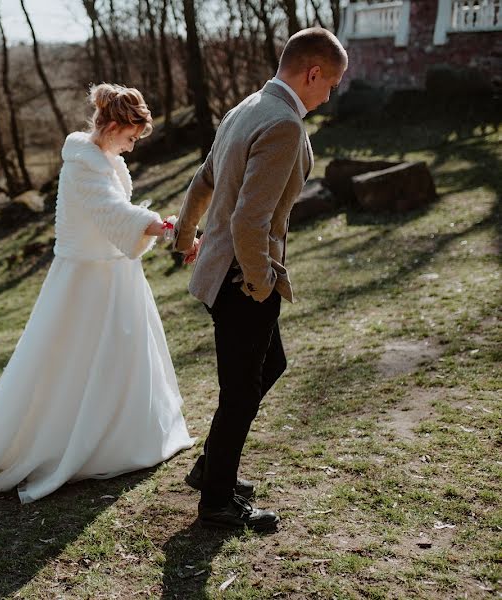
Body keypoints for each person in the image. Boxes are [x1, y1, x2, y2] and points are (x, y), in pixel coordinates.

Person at [0, 83, 196, 509]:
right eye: (131, 137)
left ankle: (123, 435)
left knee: (124, 356)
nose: (133, 147)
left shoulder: (104, 158)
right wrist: (158, 224)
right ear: (116, 126)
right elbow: (110, 212)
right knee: (74, 362)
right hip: (85, 281)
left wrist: (153, 225)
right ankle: (73, 440)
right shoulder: (83, 164)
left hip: (114, 275)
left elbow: (115, 214)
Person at [173, 28, 348, 531]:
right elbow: (250, 220)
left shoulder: (245, 107)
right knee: (240, 390)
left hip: (222, 269)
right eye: (330, 83)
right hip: (242, 277)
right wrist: (259, 283)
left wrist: (186, 237)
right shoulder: (284, 124)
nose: (328, 94)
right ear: (313, 73)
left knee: (269, 365)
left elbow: (203, 179)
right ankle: (217, 503)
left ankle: (213, 470)